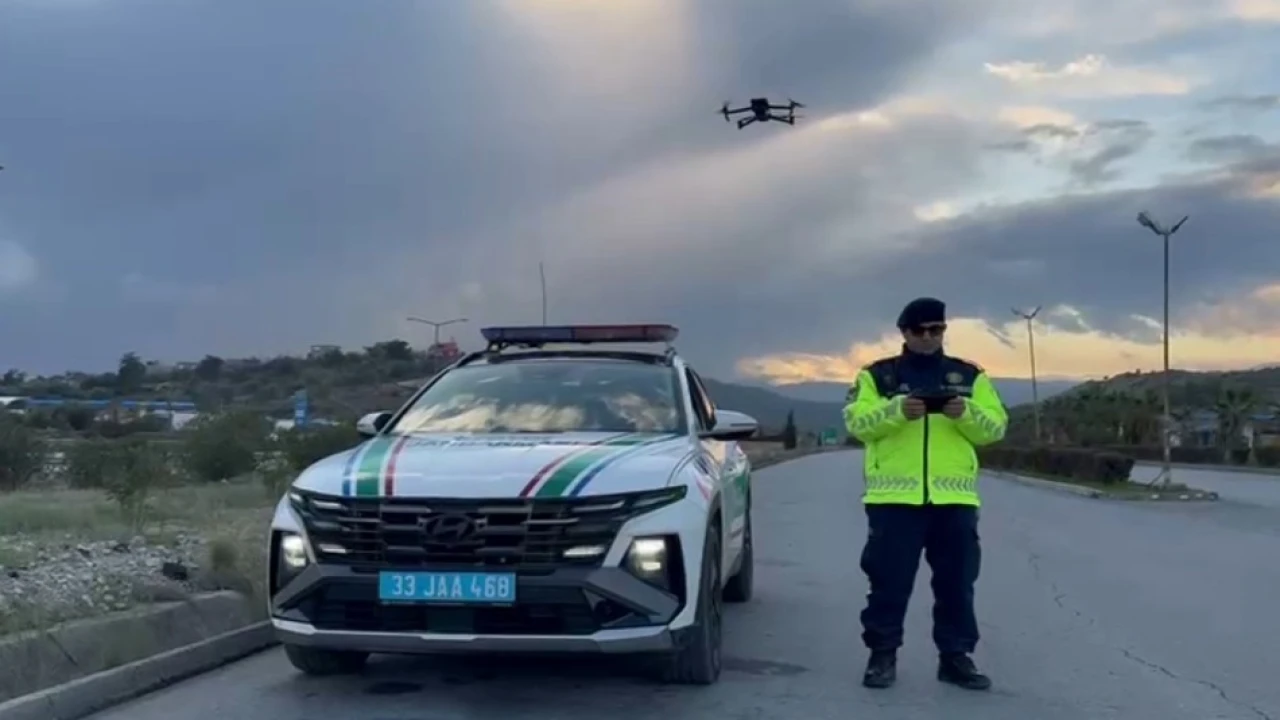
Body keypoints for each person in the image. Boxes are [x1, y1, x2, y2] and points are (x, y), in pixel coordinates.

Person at [843, 297, 1008, 691]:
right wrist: (898, 411)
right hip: (894, 501)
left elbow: (996, 428)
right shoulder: (877, 376)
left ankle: (955, 658)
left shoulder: (969, 376)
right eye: (920, 330)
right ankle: (882, 656)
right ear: (904, 332)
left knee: (957, 585)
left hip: (955, 501)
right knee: (888, 583)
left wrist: (965, 413)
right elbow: (857, 423)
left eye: (937, 329)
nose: (929, 337)